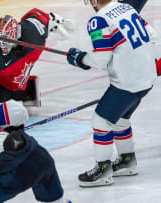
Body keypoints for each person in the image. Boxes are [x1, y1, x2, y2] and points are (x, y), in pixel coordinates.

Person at [66, 0, 157, 187]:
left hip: (127, 82)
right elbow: (151, 34)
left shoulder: (98, 20)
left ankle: (103, 170)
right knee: (120, 120)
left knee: (101, 121)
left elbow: (100, 59)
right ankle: (127, 161)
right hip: (147, 77)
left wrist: (79, 58)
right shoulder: (128, 8)